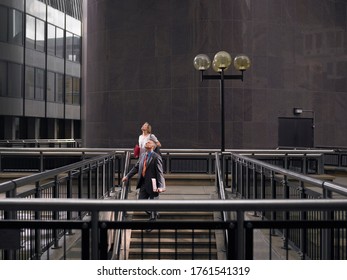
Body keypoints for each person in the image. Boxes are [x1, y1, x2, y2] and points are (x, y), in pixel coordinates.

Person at [122, 139, 165, 223]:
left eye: (149, 142)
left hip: (153, 184)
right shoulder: (142, 156)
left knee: (153, 204)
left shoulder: (156, 157)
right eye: (146, 142)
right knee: (141, 203)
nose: (147, 143)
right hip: (143, 183)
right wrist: (127, 176)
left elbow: (160, 173)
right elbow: (136, 167)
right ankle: (154, 213)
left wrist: (161, 186)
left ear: (153, 146)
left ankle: (152, 219)